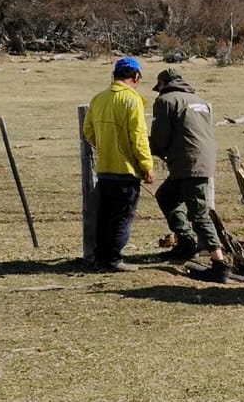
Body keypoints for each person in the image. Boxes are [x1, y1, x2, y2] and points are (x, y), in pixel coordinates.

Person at [150, 68, 230, 284]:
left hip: (188, 163)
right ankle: (186, 244)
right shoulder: (199, 100)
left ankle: (219, 264)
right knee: (166, 196)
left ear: (163, 85)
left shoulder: (165, 101)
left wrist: (143, 148)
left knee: (199, 213)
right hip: (202, 159)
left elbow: (160, 138)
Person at [82, 57, 155, 272]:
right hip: (126, 170)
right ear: (135, 77)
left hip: (105, 169)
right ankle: (113, 259)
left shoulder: (98, 99)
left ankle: (101, 257)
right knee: (122, 217)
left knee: (105, 216)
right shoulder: (133, 101)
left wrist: (104, 146)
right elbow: (139, 137)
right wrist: (147, 165)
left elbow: (88, 131)